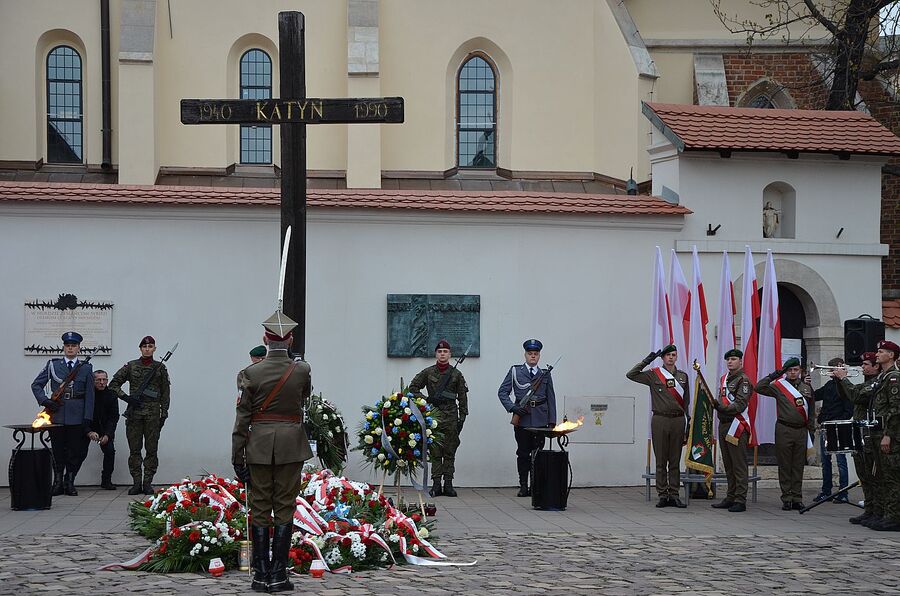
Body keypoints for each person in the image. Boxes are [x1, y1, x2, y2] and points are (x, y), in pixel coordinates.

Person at [232, 310, 313, 592]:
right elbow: (305, 397)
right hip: (291, 445)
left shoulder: (250, 373)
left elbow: (242, 418)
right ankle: (278, 575)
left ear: (265, 340)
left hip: (259, 445)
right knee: (285, 505)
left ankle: (260, 575)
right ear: (290, 340)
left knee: (260, 507)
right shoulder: (302, 370)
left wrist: (237, 455)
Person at [30, 331, 95, 496]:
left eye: (74, 346)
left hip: (77, 414)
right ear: (64, 347)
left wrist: (87, 417)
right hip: (57, 413)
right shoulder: (53, 365)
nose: (70, 348)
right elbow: (36, 385)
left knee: (74, 451)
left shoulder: (86, 368)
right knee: (57, 450)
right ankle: (58, 482)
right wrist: (45, 401)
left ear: (79, 348)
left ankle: (69, 482)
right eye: (68, 345)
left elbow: (90, 395)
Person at [626, 344, 690, 508]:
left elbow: (686, 402)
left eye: (673, 355)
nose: (671, 358)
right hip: (660, 419)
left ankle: (674, 494)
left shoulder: (683, 377)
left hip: (677, 420)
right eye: (668, 355)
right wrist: (647, 361)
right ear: (662, 358)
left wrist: (688, 423)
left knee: (675, 460)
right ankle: (662, 495)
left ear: (676, 357)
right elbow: (631, 375)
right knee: (661, 460)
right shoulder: (654, 375)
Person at [108, 336, 171, 495]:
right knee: (134, 450)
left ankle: (147, 483)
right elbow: (113, 384)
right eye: (144, 346)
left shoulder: (160, 368)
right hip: (134, 414)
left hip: (153, 415)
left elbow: (165, 393)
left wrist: (164, 413)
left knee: (151, 450)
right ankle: (136, 483)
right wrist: (126, 398)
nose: (147, 349)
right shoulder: (131, 366)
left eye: (150, 346)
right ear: (140, 349)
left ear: (154, 349)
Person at [409, 339, 469, 498]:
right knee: (435, 452)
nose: (442, 354)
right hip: (434, 416)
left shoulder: (456, 374)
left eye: (445, 352)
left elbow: (462, 397)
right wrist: (427, 400)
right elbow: (413, 388)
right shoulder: (428, 372)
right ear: (436, 354)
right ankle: (436, 484)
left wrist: (462, 417)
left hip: (451, 416)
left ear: (450, 354)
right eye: (440, 351)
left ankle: (448, 484)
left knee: (450, 451)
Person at [498, 339, 557, 497]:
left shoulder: (544, 374)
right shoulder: (515, 371)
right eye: (530, 353)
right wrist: (513, 407)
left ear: (539, 356)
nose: (533, 356)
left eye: (536, 354)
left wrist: (552, 421)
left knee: (538, 454)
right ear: (525, 355)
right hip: (522, 419)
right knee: (523, 454)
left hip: (540, 419)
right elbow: (502, 392)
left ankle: (535, 486)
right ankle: (523, 485)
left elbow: (551, 397)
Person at [755, 357, 815, 511]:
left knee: (798, 466)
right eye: (789, 370)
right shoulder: (779, 386)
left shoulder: (807, 388)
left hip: (801, 430)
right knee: (785, 465)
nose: (793, 373)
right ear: (785, 372)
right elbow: (759, 387)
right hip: (784, 429)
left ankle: (797, 498)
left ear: (800, 371)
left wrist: (811, 430)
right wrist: (775, 374)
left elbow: (811, 410)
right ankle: (787, 498)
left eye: (795, 370)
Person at [836, 351, 881, 524]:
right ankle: (869, 510)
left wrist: (843, 378)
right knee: (863, 475)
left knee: (872, 476)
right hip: (859, 433)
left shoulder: (877, 383)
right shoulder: (865, 383)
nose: (862, 367)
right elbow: (846, 396)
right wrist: (838, 381)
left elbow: (856, 396)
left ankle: (877, 511)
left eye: (866, 365)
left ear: (875, 367)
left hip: (869, 435)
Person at [710, 349, 753, 512]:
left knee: (738, 464)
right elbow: (721, 399)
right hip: (724, 424)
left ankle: (740, 499)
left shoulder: (744, 380)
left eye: (733, 359)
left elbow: (740, 405)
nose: (730, 362)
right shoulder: (724, 379)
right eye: (728, 359)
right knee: (728, 464)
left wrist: (721, 408)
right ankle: (731, 496)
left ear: (740, 361)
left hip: (737, 425)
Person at [813, 357, 854, 503]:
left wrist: (837, 421)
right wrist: (807, 384)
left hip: (839, 426)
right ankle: (826, 491)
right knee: (826, 461)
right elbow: (815, 395)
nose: (830, 371)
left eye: (833, 369)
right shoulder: (829, 385)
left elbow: (849, 410)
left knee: (841, 461)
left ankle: (843, 492)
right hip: (826, 426)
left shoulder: (846, 386)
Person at [869, 340, 900, 532]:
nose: (877, 354)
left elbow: (896, 410)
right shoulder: (883, 377)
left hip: (890, 435)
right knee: (882, 476)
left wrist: (888, 435)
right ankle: (885, 514)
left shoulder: (894, 377)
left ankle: (894, 517)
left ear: (891, 355)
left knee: (891, 477)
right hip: (878, 431)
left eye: (881, 351)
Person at [88, 370, 120, 490]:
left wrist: (107, 435)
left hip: (105, 429)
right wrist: (88, 431)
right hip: (87, 428)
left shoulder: (111, 395)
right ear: (93, 381)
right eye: (98, 380)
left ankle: (106, 480)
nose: (102, 382)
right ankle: (69, 481)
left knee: (110, 451)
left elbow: (114, 417)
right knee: (78, 453)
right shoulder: (87, 394)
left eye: (104, 380)